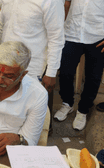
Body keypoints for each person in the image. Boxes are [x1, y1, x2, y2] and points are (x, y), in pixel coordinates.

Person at [0, 0, 65, 94]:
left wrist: (51, 73)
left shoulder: (51, 2)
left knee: (28, 102)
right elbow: (0, 27)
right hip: (3, 63)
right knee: (2, 99)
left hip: (30, 67)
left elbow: (56, 38)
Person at [54, 0, 104, 131]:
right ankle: (67, 103)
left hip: (98, 36)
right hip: (72, 33)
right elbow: (66, 3)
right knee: (65, 71)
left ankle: (83, 110)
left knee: (93, 76)